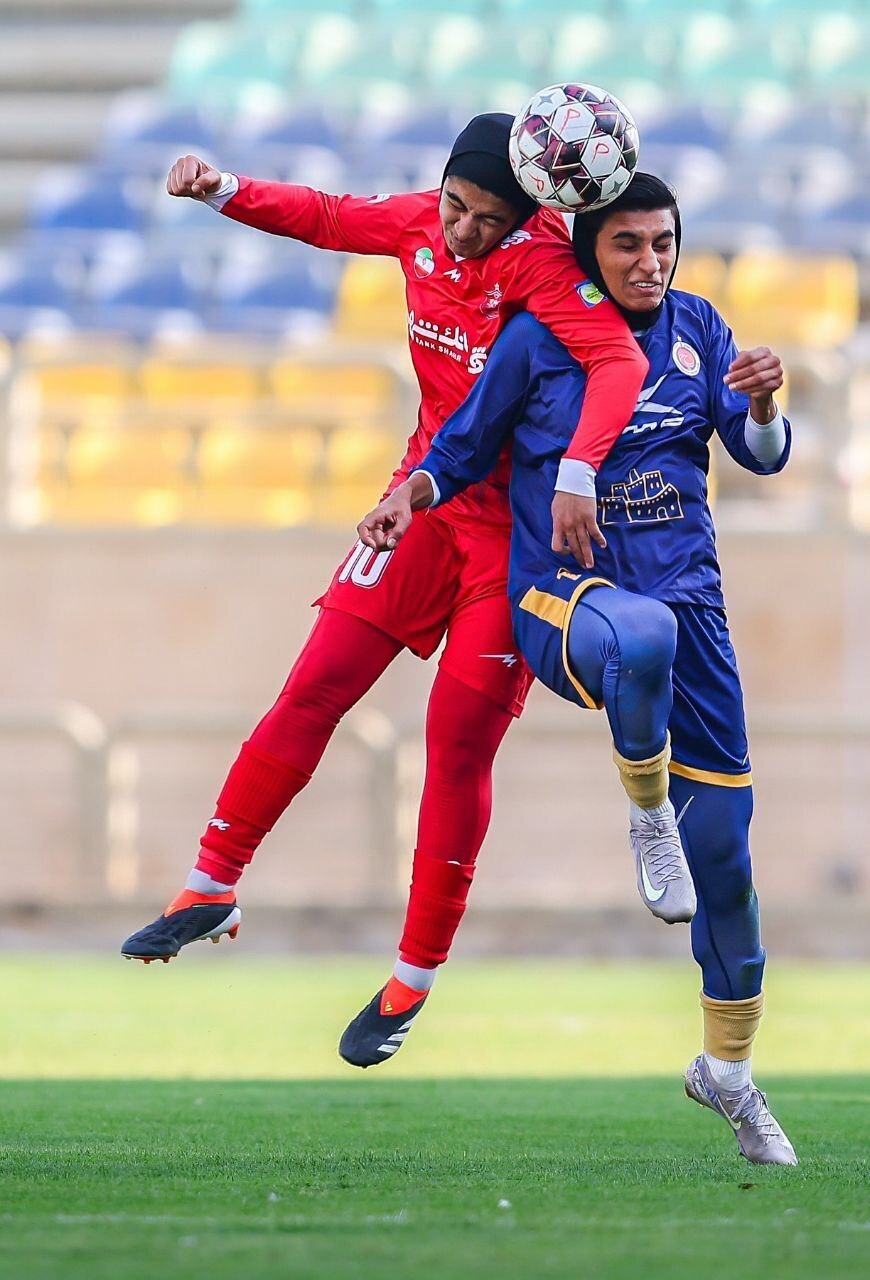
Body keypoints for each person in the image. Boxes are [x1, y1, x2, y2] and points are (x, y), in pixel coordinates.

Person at [120, 114, 649, 1068]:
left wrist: (577, 470)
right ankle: (210, 883)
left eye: (488, 219)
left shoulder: (541, 269)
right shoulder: (415, 223)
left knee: (455, 745)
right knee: (314, 684)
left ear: (524, 218)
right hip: (420, 506)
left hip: (514, 543)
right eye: (455, 207)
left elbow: (619, 360)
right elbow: (326, 216)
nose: (464, 230)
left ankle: (411, 979)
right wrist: (223, 189)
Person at [359, 173, 797, 1165]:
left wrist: (764, 402)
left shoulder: (698, 328)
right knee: (637, 635)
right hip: (564, 601)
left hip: (694, 616)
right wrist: (404, 500)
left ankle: (729, 1073)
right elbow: (460, 448)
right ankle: (646, 813)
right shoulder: (538, 338)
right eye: (627, 244)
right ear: (588, 251)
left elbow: (760, 455)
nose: (650, 261)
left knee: (727, 863)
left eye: (663, 242)